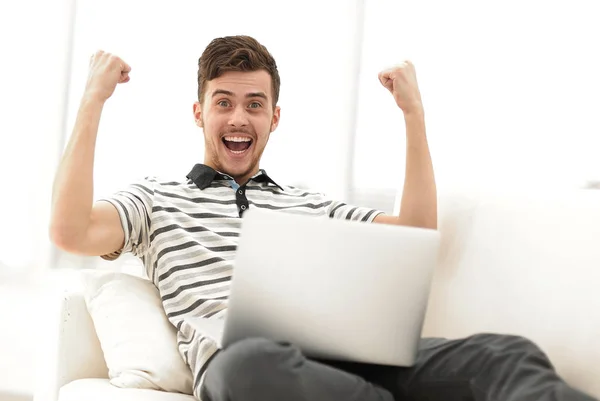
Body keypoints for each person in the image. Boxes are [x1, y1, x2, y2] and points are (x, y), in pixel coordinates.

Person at [49, 35, 596, 401]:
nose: (239, 116)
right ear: (200, 113)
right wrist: (94, 99)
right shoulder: (155, 197)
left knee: (504, 354)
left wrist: (413, 114)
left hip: (345, 367)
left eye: (255, 104)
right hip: (246, 373)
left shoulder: (309, 205)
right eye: (224, 102)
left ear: (274, 118)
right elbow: (70, 229)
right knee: (251, 362)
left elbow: (415, 235)